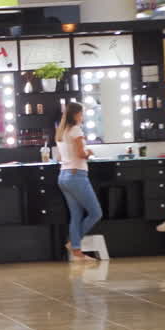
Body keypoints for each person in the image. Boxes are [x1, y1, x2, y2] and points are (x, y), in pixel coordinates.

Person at [55, 102, 102, 261]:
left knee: (76, 214)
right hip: (77, 176)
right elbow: (81, 153)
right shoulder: (75, 130)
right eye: (81, 114)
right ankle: (74, 243)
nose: (83, 117)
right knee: (96, 213)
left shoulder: (61, 131)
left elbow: (60, 157)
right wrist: (90, 151)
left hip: (63, 176)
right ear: (76, 115)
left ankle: (76, 250)